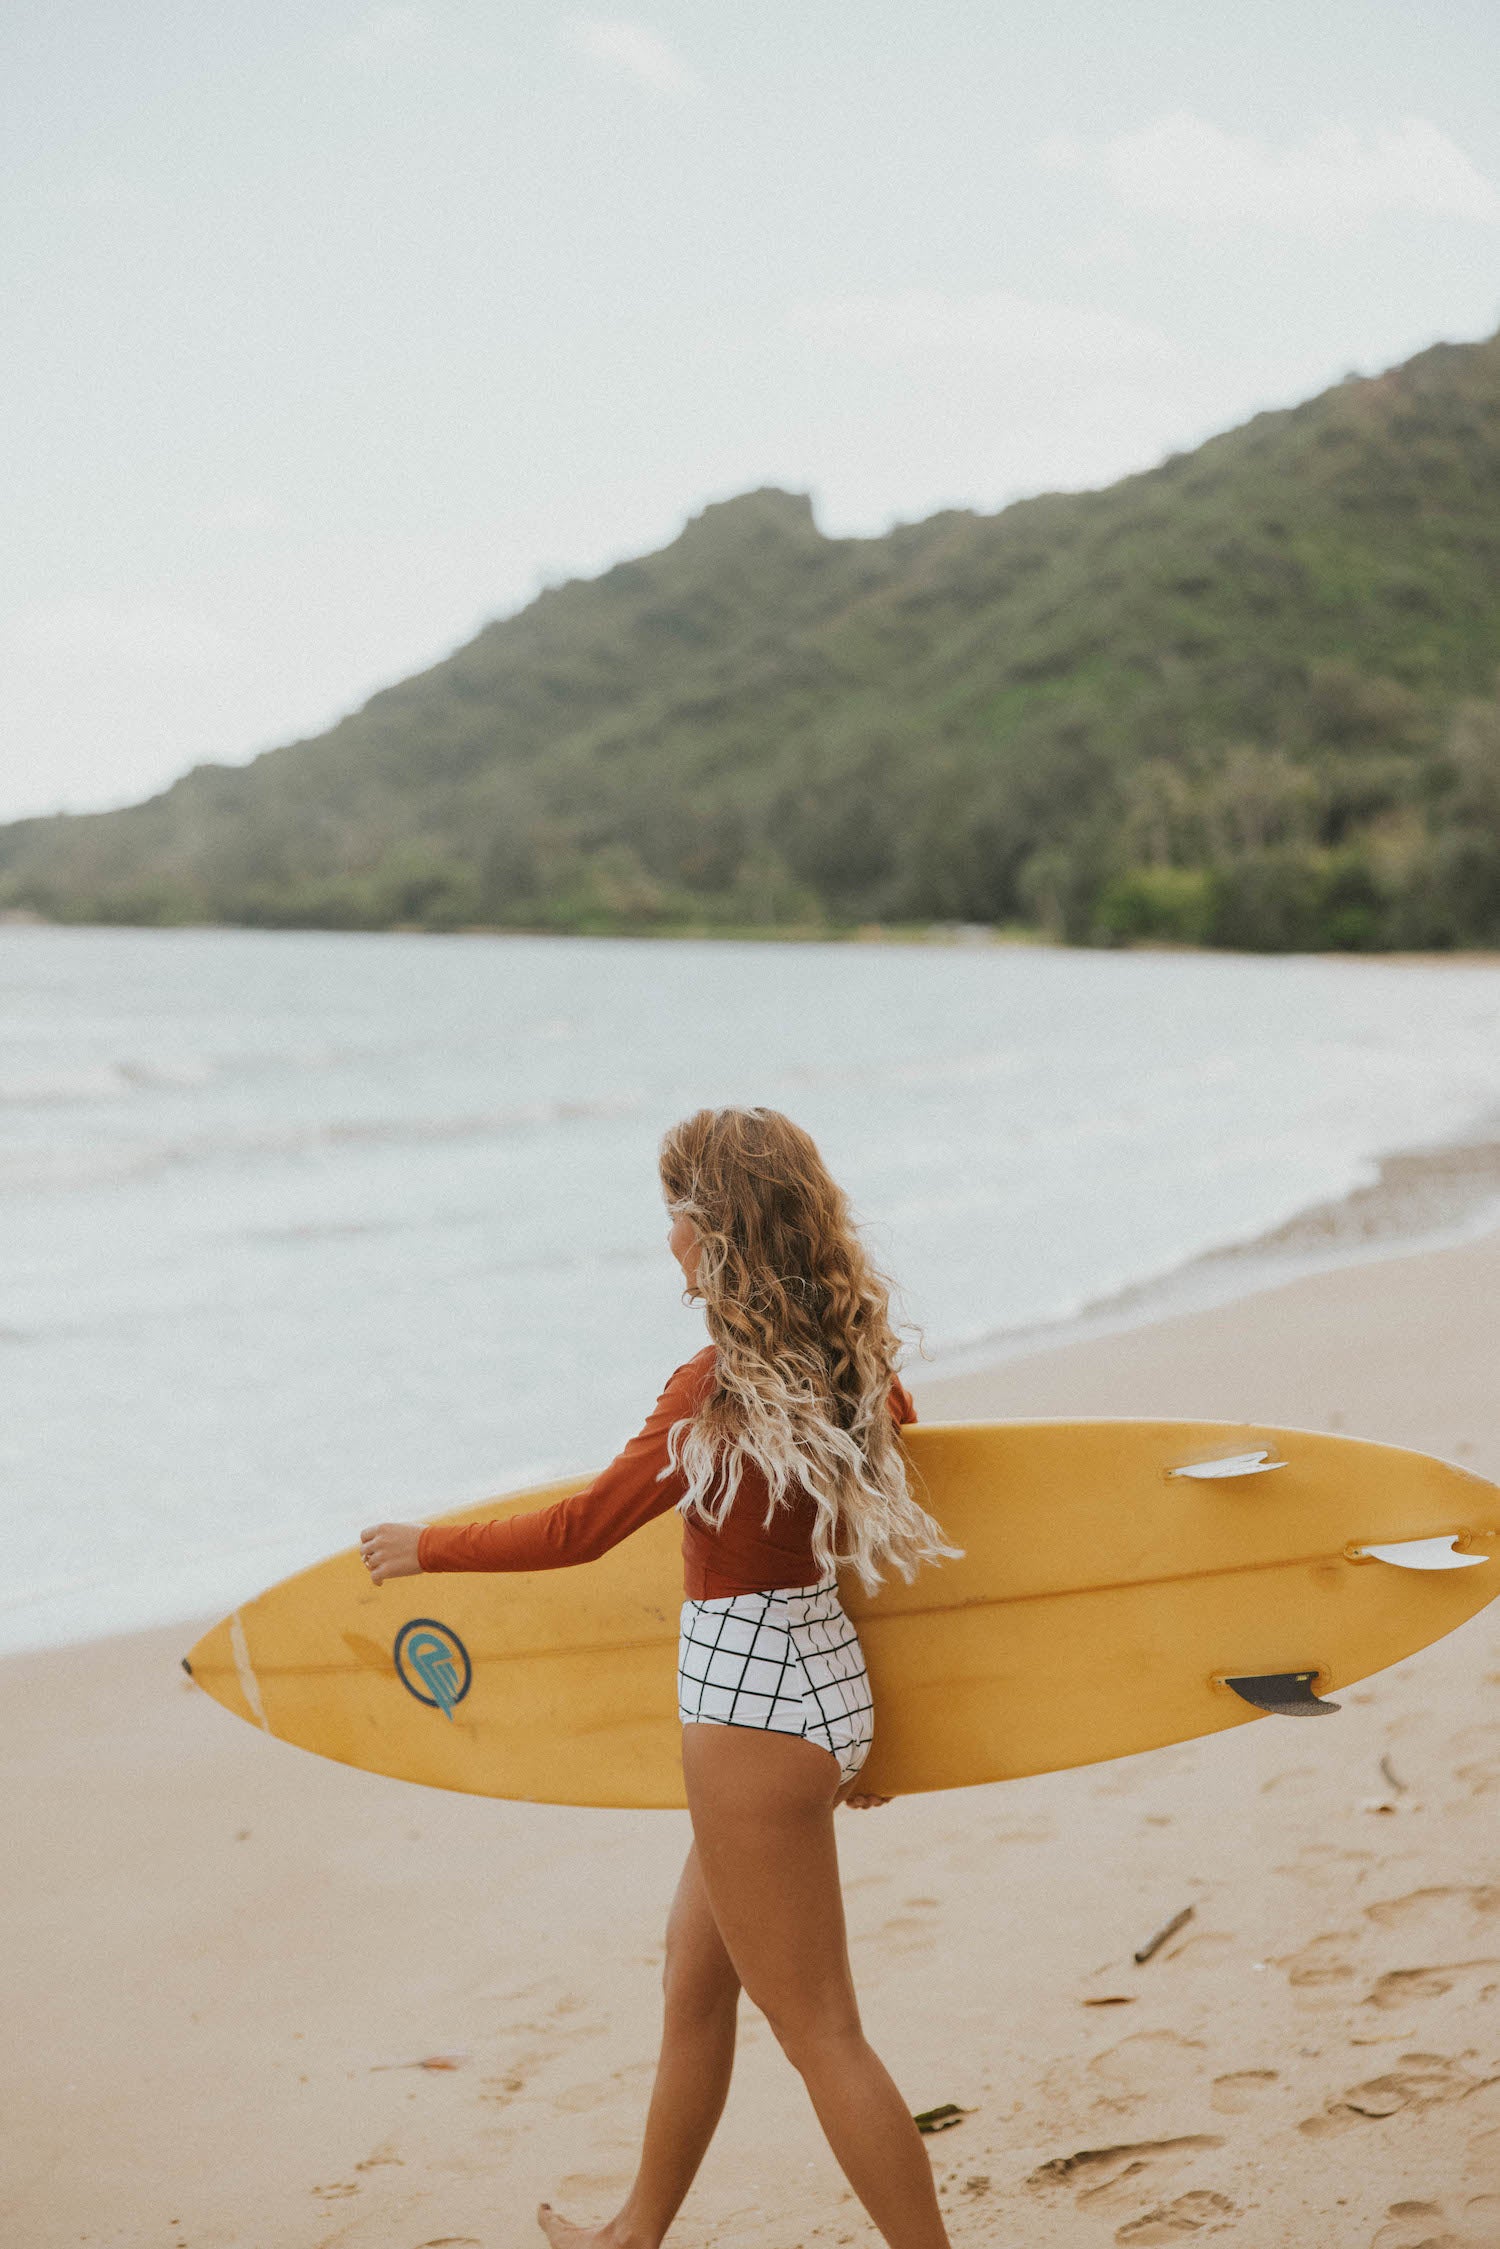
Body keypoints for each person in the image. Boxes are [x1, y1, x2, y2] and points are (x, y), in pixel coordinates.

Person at [360, 1105, 961, 2249]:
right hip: (818, 1687)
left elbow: (585, 1526)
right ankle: (633, 2232)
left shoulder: (715, 1388)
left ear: (713, 1229)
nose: (667, 1243)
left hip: (747, 1715)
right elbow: (876, 1549)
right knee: (696, 1985)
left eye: (674, 1218)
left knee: (823, 2032)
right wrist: (854, 1735)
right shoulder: (854, 1363)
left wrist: (426, 1545)